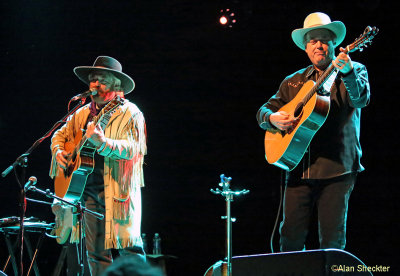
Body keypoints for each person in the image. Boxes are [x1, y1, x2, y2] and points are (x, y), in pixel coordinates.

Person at [256, 12, 370, 251]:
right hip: (297, 169)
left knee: (332, 241)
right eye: (313, 40)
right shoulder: (293, 81)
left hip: (337, 170)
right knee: (289, 239)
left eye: (324, 39)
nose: (318, 45)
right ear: (306, 48)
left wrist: (347, 72)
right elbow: (263, 112)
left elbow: (360, 100)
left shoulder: (354, 69)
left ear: (334, 44)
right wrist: (273, 119)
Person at [49, 56, 147, 275]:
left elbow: (133, 148)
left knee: (130, 249)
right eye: (93, 80)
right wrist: (58, 151)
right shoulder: (81, 113)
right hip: (88, 193)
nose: (95, 84)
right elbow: (59, 135)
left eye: (102, 80)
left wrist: (104, 143)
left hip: (118, 192)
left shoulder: (131, 113)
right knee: (95, 254)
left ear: (116, 85)